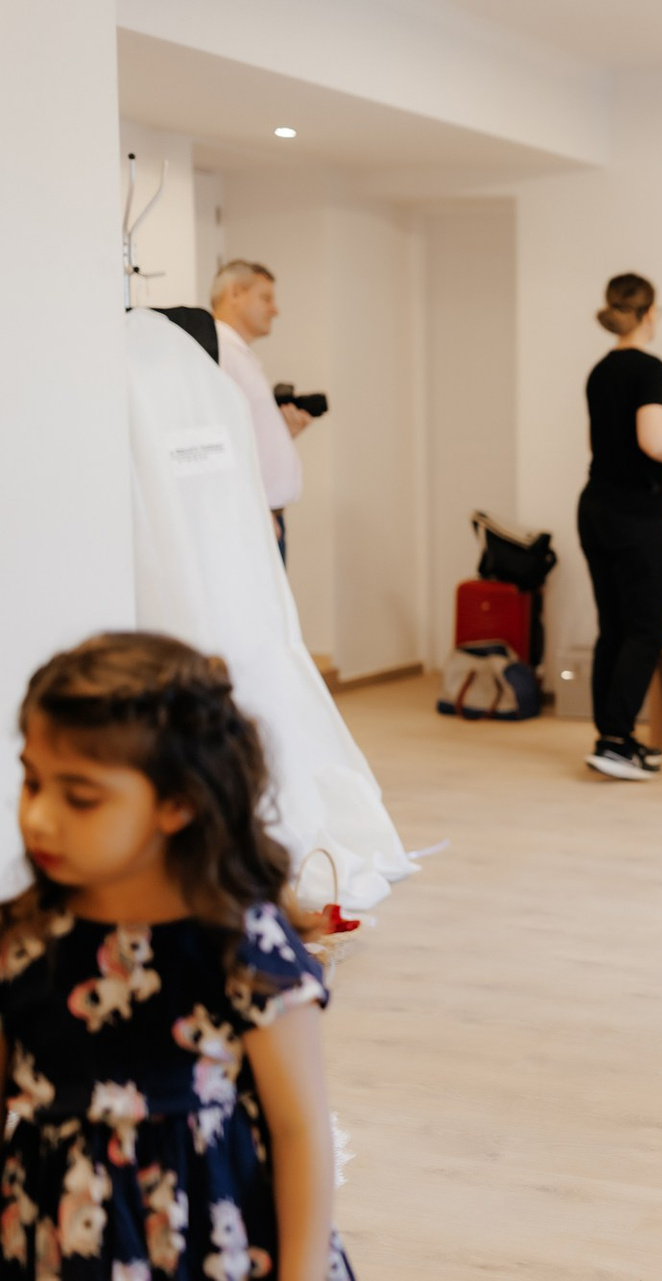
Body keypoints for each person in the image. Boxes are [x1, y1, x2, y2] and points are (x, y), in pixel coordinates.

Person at [6, 632, 352, 1277]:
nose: (39, 818)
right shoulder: (22, 941)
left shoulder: (243, 946)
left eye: (80, 797)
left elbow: (300, 1130)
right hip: (54, 1241)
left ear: (179, 803)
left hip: (211, 1243)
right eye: (32, 782)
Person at [579, 273, 662, 781]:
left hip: (596, 507)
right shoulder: (648, 367)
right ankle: (615, 742)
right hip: (636, 514)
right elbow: (655, 443)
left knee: (614, 628)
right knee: (645, 629)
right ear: (649, 313)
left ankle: (613, 737)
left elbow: (598, 444)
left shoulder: (601, 370)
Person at [210, 261, 310, 562]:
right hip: (254, 517)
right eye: (265, 298)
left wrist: (282, 435)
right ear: (234, 293)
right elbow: (219, 440)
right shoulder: (219, 352)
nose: (275, 310)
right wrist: (252, 509)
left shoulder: (240, 356)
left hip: (265, 515)